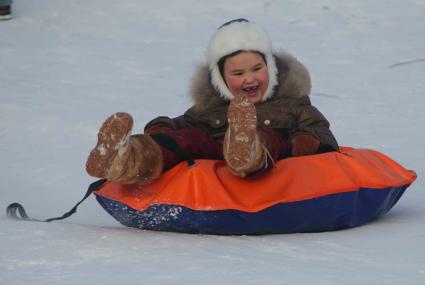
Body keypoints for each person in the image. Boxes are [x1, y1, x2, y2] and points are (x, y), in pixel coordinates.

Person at [85, 18, 338, 185]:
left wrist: (299, 143)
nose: (250, 79)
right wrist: (159, 131)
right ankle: (127, 158)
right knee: (191, 139)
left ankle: (248, 149)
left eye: (257, 69)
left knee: (267, 137)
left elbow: (322, 134)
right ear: (220, 80)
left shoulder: (293, 104)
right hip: (216, 153)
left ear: (271, 68)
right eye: (238, 74)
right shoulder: (210, 110)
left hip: (269, 154)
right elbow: (177, 124)